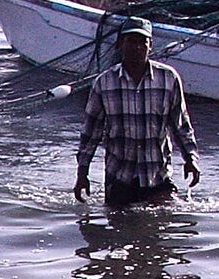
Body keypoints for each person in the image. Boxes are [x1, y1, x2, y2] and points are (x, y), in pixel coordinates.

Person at [73, 18, 202, 209]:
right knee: (118, 231)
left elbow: (180, 125)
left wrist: (190, 159)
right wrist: (82, 173)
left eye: (143, 42)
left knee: (160, 229)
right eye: (131, 41)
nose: (137, 47)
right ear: (120, 44)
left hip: (157, 176)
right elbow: (91, 133)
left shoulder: (168, 79)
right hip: (120, 177)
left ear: (151, 46)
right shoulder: (104, 83)